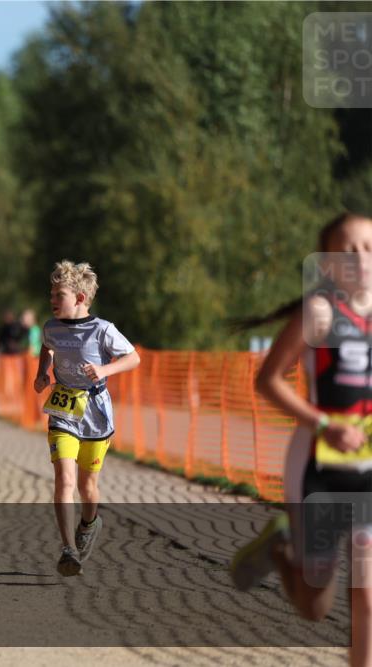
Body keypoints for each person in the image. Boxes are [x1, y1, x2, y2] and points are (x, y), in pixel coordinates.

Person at [230, 212, 372, 667]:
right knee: (315, 607)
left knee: (367, 597)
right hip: (319, 469)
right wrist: (324, 425)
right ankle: (279, 545)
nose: (362, 258)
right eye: (348, 251)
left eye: (369, 247)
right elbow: (269, 381)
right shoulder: (319, 312)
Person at [33, 260, 140, 576]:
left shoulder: (103, 330)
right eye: (51, 293)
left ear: (80, 298)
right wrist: (42, 372)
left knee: (87, 486)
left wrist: (104, 370)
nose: (52, 300)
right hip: (63, 412)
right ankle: (68, 550)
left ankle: (90, 522)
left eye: (59, 294)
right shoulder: (51, 327)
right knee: (64, 480)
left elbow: (133, 357)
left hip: (95, 413)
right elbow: (47, 346)